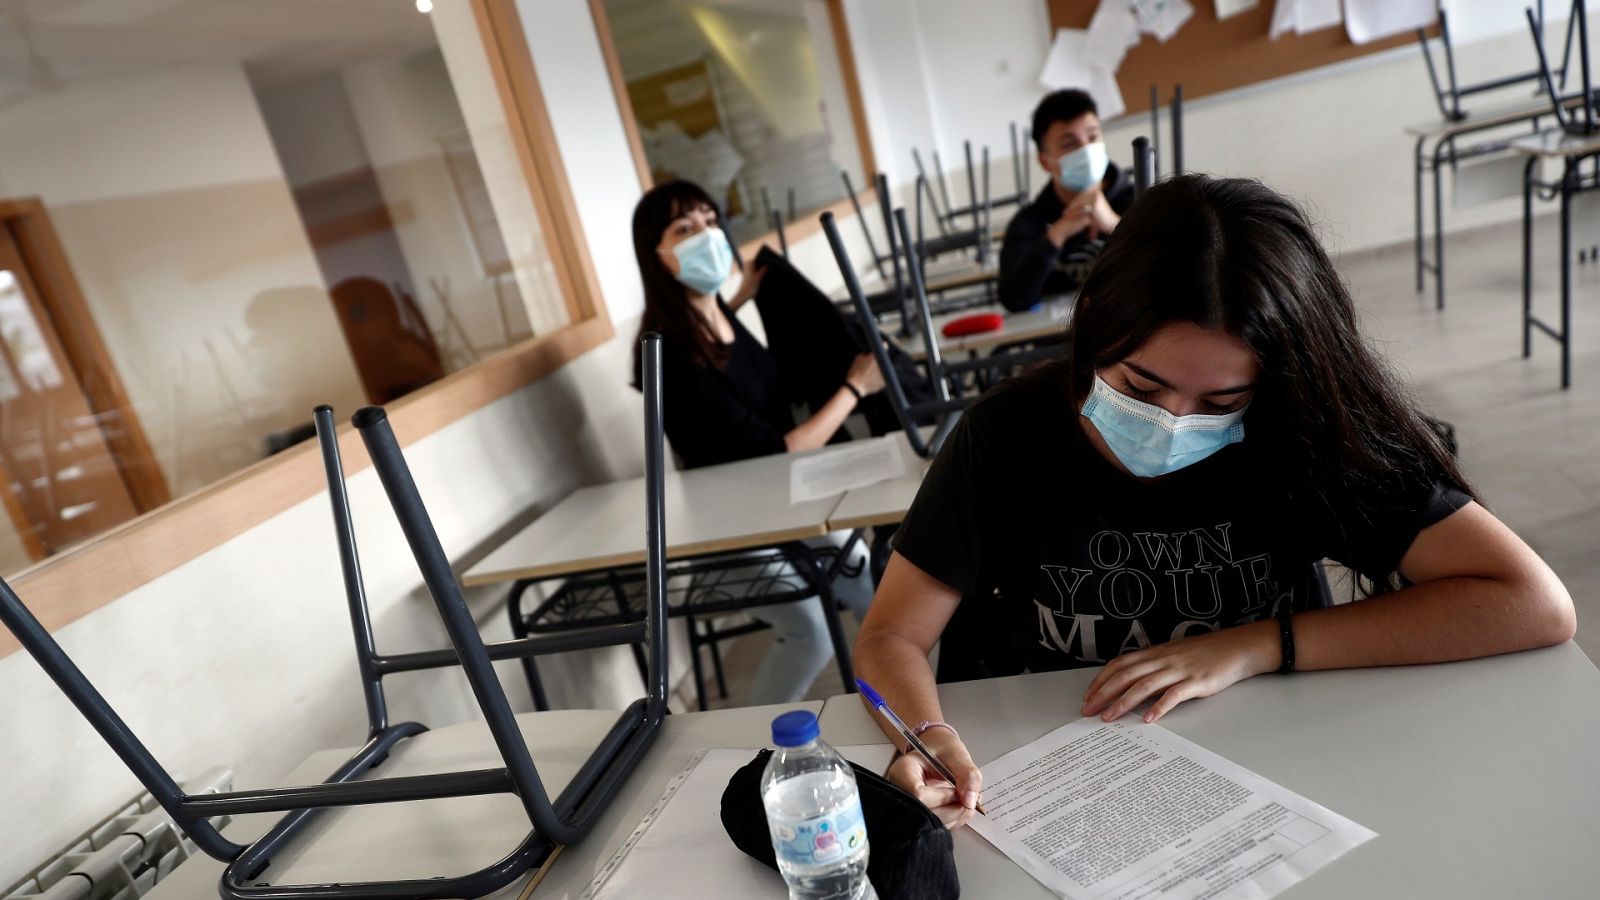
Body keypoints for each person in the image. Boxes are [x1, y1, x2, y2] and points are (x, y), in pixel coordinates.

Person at [855, 175, 1576, 829]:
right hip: (1057, 780)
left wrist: (1258, 645)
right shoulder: (1005, 436)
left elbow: (1532, 602)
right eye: (1141, 387)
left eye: (1222, 401)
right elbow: (890, 637)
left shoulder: (1296, 430)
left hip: (1278, 773)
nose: (1172, 422)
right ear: (1094, 324)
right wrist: (928, 737)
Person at [630, 179, 885, 705]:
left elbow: (751, 386)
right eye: (684, 228)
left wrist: (742, 300)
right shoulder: (668, 352)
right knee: (811, 633)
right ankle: (755, 749)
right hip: (728, 529)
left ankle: (894, 704)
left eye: (708, 219)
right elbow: (775, 446)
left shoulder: (716, 314)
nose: (706, 233)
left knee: (869, 582)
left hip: (776, 502)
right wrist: (855, 388)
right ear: (658, 257)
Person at [998, 88, 1136, 313]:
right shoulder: (1029, 222)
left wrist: (1114, 225)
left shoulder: (1139, 199)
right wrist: (1056, 235)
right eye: (1069, 144)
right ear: (1046, 162)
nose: (1086, 149)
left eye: (1092, 137)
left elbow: (1172, 270)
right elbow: (1013, 299)